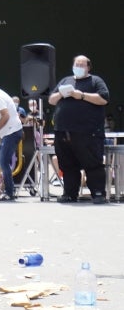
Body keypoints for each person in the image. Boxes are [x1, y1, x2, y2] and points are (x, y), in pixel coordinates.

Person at [47, 54, 110, 204]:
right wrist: (60, 94)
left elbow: (103, 99)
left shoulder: (95, 81)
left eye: (82, 65)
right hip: (63, 131)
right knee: (67, 164)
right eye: (77, 64)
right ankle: (70, 193)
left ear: (88, 67)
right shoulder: (65, 81)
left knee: (92, 163)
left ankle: (98, 193)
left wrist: (80, 95)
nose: (79, 67)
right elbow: (51, 100)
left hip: (88, 132)